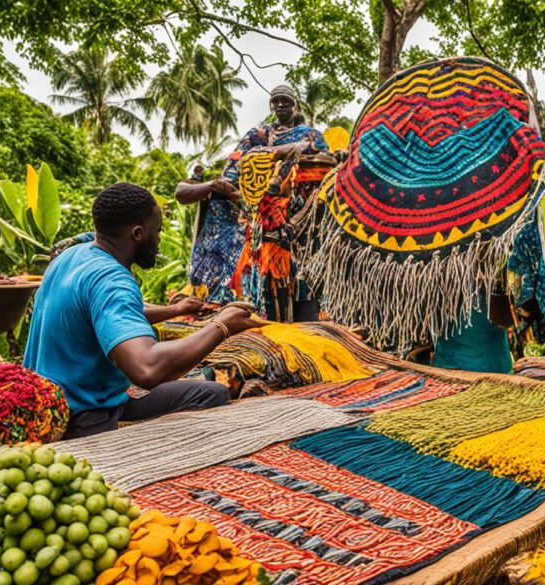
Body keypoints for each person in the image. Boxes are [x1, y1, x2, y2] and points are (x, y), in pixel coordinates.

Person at [23, 182, 261, 439]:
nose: (159, 240)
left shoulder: (72, 257)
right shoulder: (112, 280)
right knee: (208, 406)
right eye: (157, 232)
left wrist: (177, 309)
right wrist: (221, 327)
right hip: (83, 416)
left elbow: (110, 314)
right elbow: (146, 369)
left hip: (47, 403)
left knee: (211, 391)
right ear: (137, 234)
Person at [178, 84, 328, 314]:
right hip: (259, 210)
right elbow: (235, 166)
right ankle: (226, 295)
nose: (280, 105)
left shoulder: (309, 133)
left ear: (294, 104)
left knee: (303, 280)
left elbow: (319, 152)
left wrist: (273, 154)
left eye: (285, 101)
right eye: (276, 101)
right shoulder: (258, 134)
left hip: (298, 208)